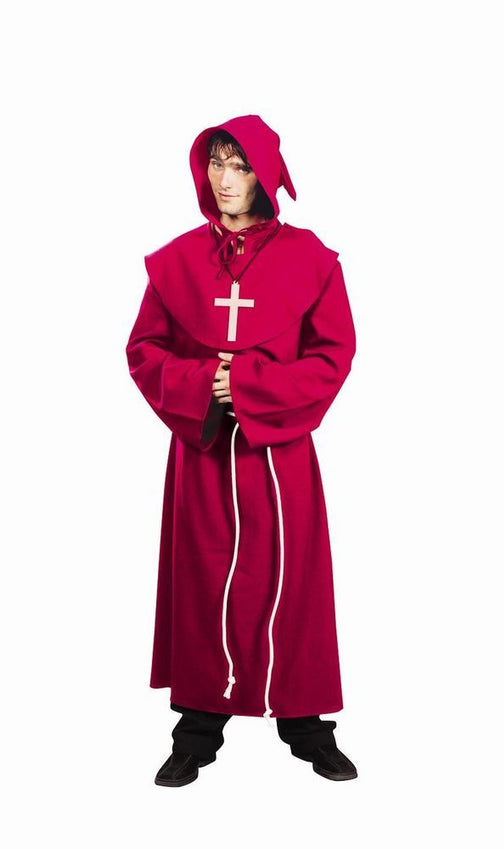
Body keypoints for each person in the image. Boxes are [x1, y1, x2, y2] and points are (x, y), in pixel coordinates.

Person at [125, 114, 358, 786]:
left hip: (278, 456)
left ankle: (306, 725)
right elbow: (144, 350)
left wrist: (250, 384)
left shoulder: (311, 260)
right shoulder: (175, 262)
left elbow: (333, 355)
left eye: (240, 165)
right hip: (202, 451)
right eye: (216, 163)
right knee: (202, 581)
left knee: (291, 582)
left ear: (265, 176)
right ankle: (197, 731)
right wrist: (204, 383)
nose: (225, 179)